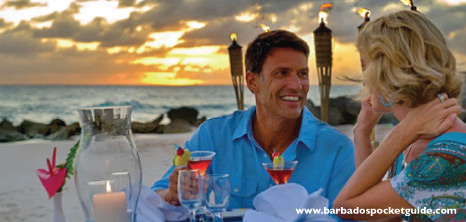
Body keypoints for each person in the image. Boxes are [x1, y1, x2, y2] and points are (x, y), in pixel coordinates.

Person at [152, 30, 355, 211]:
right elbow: (157, 197)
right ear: (252, 82)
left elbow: (349, 217)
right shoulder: (213, 136)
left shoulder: (338, 150)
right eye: (282, 73)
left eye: (302, 74)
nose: (296, 85)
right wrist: (173, 194)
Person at [333, 10, 466, 221]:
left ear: (386, 72)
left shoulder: (447, 156)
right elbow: (382, 215)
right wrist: (362, 133)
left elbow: (348, 207)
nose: (363, 79)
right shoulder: (415, 139)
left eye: (365, 66)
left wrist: (402, 133)